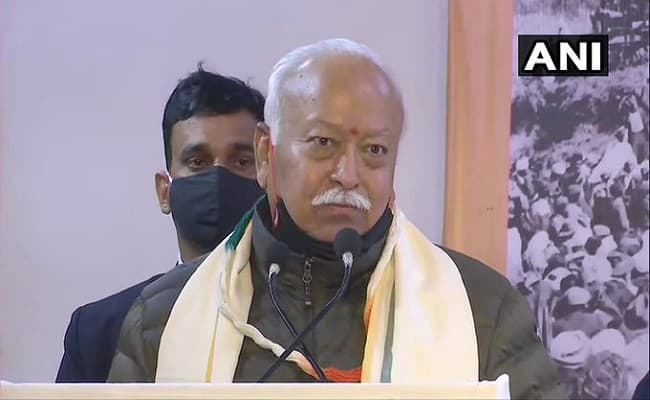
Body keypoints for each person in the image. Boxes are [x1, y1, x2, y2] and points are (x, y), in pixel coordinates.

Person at [107, 39, 564, 399]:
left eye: (374, 150)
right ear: (266, 153)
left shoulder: (483, 311)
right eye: (323, 143)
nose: (348, 175)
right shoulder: (164, 316)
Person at [55, 67, 265, 382]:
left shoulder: (305, 322)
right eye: (197, 162)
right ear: (164, 191)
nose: (219, 178)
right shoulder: (97, 332)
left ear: (268, 179)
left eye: (242, 162)